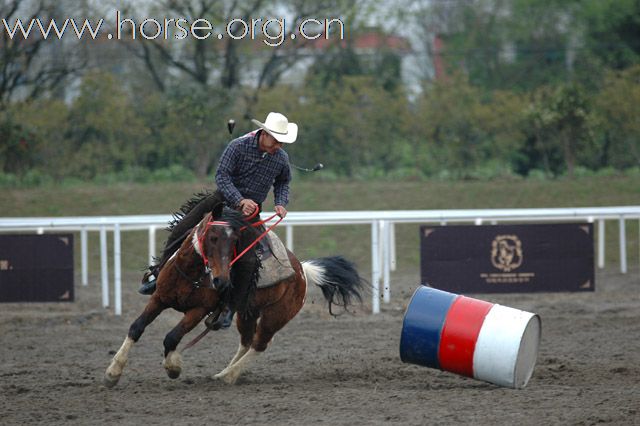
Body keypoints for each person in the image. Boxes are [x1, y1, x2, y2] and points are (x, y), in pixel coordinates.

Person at [138, 111, 297, 329]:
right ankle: (158, 275)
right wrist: (240, 200)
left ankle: (228, 308)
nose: (279, 145)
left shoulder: (281, 158)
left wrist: (280, 202)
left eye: (282, 142)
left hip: (249, 215)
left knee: (249, 260)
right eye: (277, 140)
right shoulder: (238, 146)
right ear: (265, 134)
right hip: (221, 203)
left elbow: (283, 182)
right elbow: (222, 176)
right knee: (181, 230)